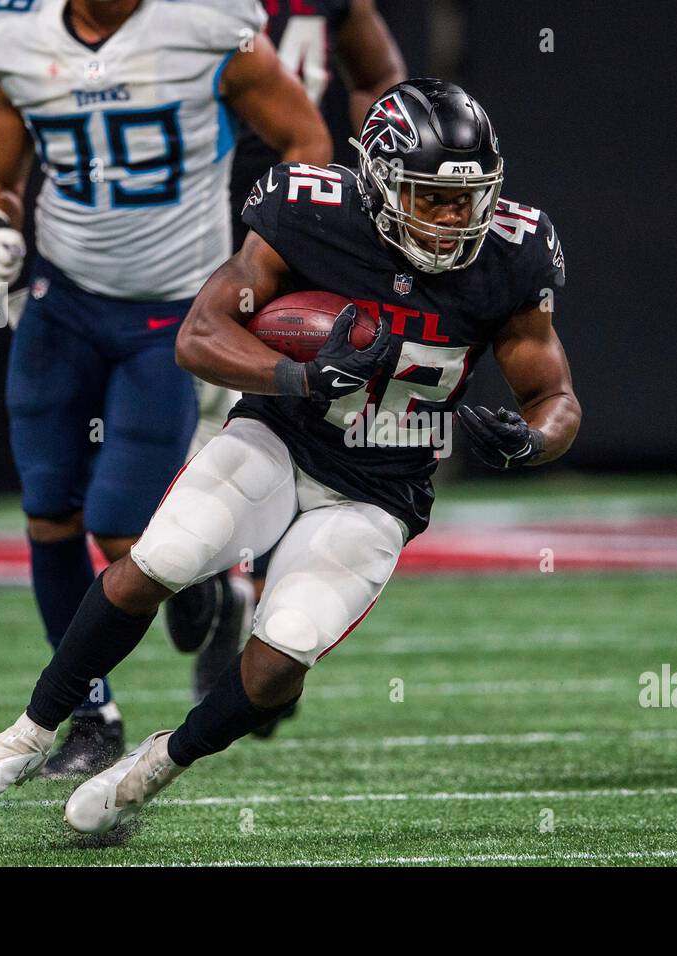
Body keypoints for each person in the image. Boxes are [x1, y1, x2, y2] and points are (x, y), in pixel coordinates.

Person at [0, 79, 580, 834]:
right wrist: (300, 375)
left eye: (465, 199)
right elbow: (199, 336)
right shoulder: (312, 215)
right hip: (281, 436)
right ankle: (30, 730)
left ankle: (157, 764)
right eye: (429, 196)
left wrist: (534, 439)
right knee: (158, 562)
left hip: (381, 489)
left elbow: (556, 393)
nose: (452, 219)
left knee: (281, 661)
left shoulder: (513, 252)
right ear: (377, 179)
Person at [0, 0, 330, 776]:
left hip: (170, 312)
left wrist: (262, 266)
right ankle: (91, 717)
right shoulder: (11, 30)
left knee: (120, 527)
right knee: (48, 512)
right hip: (61, 304)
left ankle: (212, 594)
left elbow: (307, 142)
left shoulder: (205, 23)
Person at [171, 0, 407, 737]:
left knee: (288, 420)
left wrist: (375, 187)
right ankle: (213, 582)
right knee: (192, 414)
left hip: (296, 223)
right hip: (196, 218)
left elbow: (382, 81)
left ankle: (265, 622)